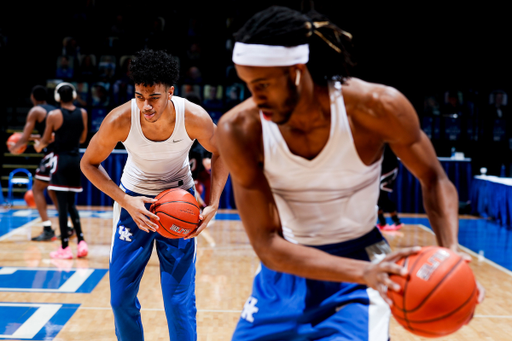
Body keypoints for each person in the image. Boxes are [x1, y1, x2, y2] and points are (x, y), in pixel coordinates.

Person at [216, 6, 485, 341]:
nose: (256, 98)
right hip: (286, 266)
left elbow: (435, 179)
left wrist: (450, 252)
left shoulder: (377, 107)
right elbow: (267, 244)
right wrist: (367, 273)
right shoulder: (239, 130)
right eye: (248, 85)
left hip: (361, 260)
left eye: (264, 85)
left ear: (298, 70)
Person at [80, 49, 229, 341]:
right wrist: (125, 201)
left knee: (178, 302)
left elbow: (221, 150)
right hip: (134, 202)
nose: (145, 106)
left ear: (170, 92)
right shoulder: (120, 119)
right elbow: (88, 163)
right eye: (139, 96)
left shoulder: (194, 116)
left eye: (154, 98)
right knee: (120, 299)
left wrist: (213, 202)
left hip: (180, 203)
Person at [34, 82, 88, 259]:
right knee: (72, 204)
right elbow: (82, 139)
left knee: (62, 206)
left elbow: (45, 140)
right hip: (75, 160)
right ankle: (81, 241)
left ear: (57, 97)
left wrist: (38, 145)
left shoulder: (54, 115)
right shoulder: (83, 113)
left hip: (60, 161)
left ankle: (65, 247)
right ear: (73, 95)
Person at [8, 85, 61, 241]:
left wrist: (15, 148)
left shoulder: (35, 111)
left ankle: (47, 228)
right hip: (61, 153)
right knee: (53, 191)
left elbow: (25, 136)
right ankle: (68, 226)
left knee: (37, 189)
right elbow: (50, 135)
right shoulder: (54, 110)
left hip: (51, 153)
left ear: (33, 97)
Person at [376, 145, 403, 231]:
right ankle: (382, 223)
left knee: (382, 197)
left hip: (389, 170)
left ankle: (396, 222)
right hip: (382, 170)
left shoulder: (388, 143)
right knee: (378, 198)